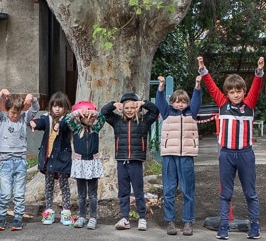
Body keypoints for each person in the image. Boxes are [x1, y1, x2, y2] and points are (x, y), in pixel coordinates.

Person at [197, 56, 264, 240]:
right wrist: (203, 70)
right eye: (232, 91)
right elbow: (211, 86)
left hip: (245, 154)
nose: (235, 94)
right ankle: (224, 227)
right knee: (225, 193)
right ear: (227, 93)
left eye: (238, 91)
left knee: (250, 192)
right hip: (226, 154)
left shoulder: (249, 105)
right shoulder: (222, 104)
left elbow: (256, 88)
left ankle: (255, 226)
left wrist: (258, 72)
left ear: (244, 92)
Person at [101, 93, 159, 231]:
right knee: (123, 191)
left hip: (136, 161)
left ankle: (142, 218)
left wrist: (143, 103)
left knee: (138, 191)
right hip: (122, 161)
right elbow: (104, 112)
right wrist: (114, 104)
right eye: (126, 107)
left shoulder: (144, 120)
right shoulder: (116, 121)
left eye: (133, 107)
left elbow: (155, 111)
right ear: (122, 108)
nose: (129, 110)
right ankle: (125, 218)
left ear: (137, 108)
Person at [156, 75, 202, 236]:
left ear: (187, 103)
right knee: (169, 189)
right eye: (177, 101)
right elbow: (159, 100)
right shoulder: (167, 112)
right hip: (169, 155)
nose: (180, 104)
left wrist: (197, 85)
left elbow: (197, 99)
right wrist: (161, 86)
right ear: (172, 102)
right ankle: (170, 221)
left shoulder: (192, 112)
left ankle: (188, 222)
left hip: (186, 156)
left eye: (183, 101)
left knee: (188, 190)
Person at [0, 88, 39, 231]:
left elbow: (35, 108)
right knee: (5, 193)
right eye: (13, 112)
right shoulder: (1, 119)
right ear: (7, 111)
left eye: (17, 113)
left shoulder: (24, 119)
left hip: (20, 161)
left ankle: (18, 218)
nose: (15, 116)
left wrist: (32, 98)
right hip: (6, 161)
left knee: (19, 193)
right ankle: (0, 218)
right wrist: (0, 94)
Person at [58, 100, 106, 230]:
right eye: (86, 116)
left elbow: (103, 118)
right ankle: (82, 216)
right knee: (81, 194)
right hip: (80, 164)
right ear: (80, 118)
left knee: (93, 194)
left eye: (91, 117)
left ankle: (93, 217)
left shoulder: (96, 128)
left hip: (92, 163)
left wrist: (94, 113)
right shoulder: (76, 128)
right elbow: (67, 120)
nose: (89, 119)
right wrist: (77, 112)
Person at [29, 92, 73, 226]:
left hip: (63, 159)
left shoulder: (68, 119)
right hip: (48, 159)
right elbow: (40, 122)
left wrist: (60, 125)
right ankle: (49, 211)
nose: (57, 109)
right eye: (54, 106)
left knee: (64, 186)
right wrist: (34, 123)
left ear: (65, 107)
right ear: (51, 107)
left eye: (60, 106)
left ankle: (66, 212)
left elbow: (66, 125)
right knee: (48, 186)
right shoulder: (47, 118)